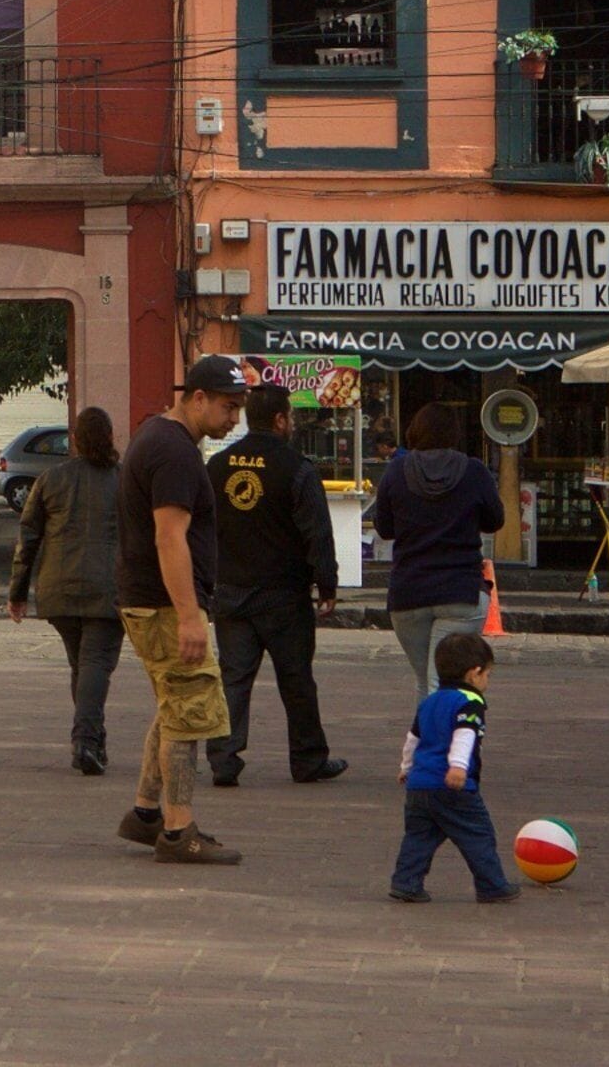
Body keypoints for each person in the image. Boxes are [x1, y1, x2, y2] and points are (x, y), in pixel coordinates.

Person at [115, 354, 248, 865]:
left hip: (148, 599)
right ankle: (178, 830)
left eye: (238, 408)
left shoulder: (160, 438)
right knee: (191, 713)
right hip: (166, 605)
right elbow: (170, 538)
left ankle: (146, 812)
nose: (234, 419)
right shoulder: (175, 453)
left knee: (174, 706)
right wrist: (190, 615)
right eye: (227, 407)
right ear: (197, 399)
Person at [205, 383, 345, 789]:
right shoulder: (297, 468)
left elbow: (201, 527)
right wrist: (327, 583)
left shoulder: (218, 465)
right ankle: (307, 759)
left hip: (230, 590)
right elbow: (317, 532)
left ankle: (224, 760)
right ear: (281, 420)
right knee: (296, 678)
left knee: (233, 678)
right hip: (284, 595)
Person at [7, 404, 123, 774]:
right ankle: (86, 741)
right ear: (110, 437)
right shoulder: (124, 480)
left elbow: (29, 537)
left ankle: (93, 740)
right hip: (107, 589)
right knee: (94, 665)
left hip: (58, 588)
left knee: (82, 665)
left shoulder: (52, 479)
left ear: (75, 440)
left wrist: (18, 592)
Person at [371, 401, 505, 690]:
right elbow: (495, 520)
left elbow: (384, 527)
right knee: (441, 683)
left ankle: (427, 735)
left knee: (427, 681)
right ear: (454, 433)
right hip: (461, 591)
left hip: (409, 592)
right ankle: (450, 735)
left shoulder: (396, 471)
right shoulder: (474, 471)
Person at [387, 632, 516, 904]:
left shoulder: (429, 702)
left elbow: (413, 739)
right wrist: (458, 766)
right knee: (478, 834)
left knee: (419, 837)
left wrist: (406, 768)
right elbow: (465, 734)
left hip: (419, 786)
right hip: (452, 786)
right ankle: (492, 885)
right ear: (474, 673)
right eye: (488, 675)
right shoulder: (470, 702)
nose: (487, 681)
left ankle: (405, 882)